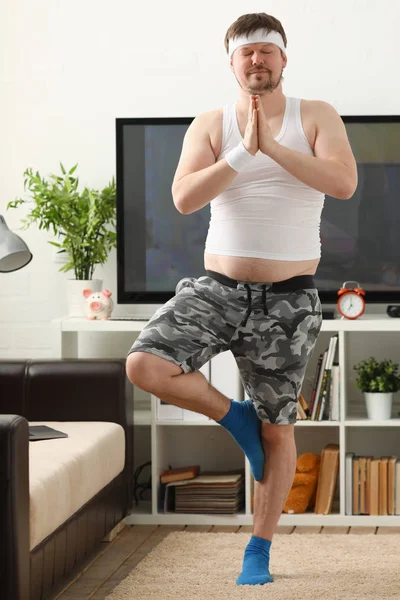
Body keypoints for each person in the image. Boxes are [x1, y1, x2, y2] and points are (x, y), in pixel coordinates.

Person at [126, 12, 358, 586]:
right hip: (218, 290)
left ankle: (258, 551)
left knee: (279, 429)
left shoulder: (317, 115)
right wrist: (239, 153)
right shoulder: (210, 124)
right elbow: (182, 198)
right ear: (232, 63)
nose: (257, 60)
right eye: (246, 52)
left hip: (289, 299)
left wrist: (271, 149)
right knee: (145, 364)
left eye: (267, 51)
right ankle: (234, 418)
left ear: (284, 59)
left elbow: (343, 183)